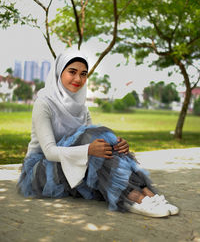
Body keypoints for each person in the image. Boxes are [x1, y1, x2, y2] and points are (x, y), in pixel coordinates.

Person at [17, 49, 179, 218]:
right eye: (72, 72)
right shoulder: (44, 104)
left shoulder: (82, 108)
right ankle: (134, 198)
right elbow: (50, 152)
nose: (78, 79)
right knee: (93, 141)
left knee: (102, 146)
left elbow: (93, 145)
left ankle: (148, 195)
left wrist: (117, 146)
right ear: (59, 72)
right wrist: (88, 150)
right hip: (41, 170)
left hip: (71, 163)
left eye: (83, 74)